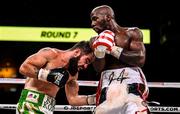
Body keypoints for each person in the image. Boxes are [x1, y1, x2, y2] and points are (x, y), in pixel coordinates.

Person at [90, 5, 150, 114]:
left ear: (108, 17)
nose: (92, 24)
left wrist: (112, 49)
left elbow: (140, 59)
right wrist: (100, 49)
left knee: (136, 109)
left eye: (95, 19)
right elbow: (98, 68)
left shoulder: (131, 33)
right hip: (108, 83)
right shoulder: (94, 40)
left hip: (131, 79)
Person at [16, 41, 95, 114]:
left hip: (48, 109)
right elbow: (24, 68)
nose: (85, 66)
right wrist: (48, 75)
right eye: (86, 60)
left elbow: (73, 99)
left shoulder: (73, 74)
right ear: (77, 52)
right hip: (30, 103)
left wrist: (94, 98)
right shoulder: (51, 54)